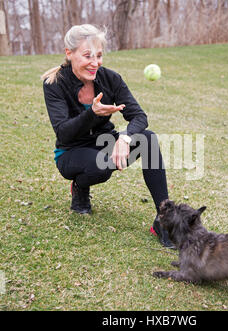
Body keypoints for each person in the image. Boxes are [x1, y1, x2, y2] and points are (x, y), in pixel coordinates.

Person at [42, 24, 174, 249]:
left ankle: (164, 219)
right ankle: (80, 188)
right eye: (87, 56)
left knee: (148, 139)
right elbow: (63, 132)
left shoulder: (110, 78)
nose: (95, 63)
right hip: (70, 152)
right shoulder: (54, 83)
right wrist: (91, 114)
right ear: (69, 53)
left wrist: (124, 138)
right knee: (100, 168)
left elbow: (139, 117)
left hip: (103, 143)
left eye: (99, 56)